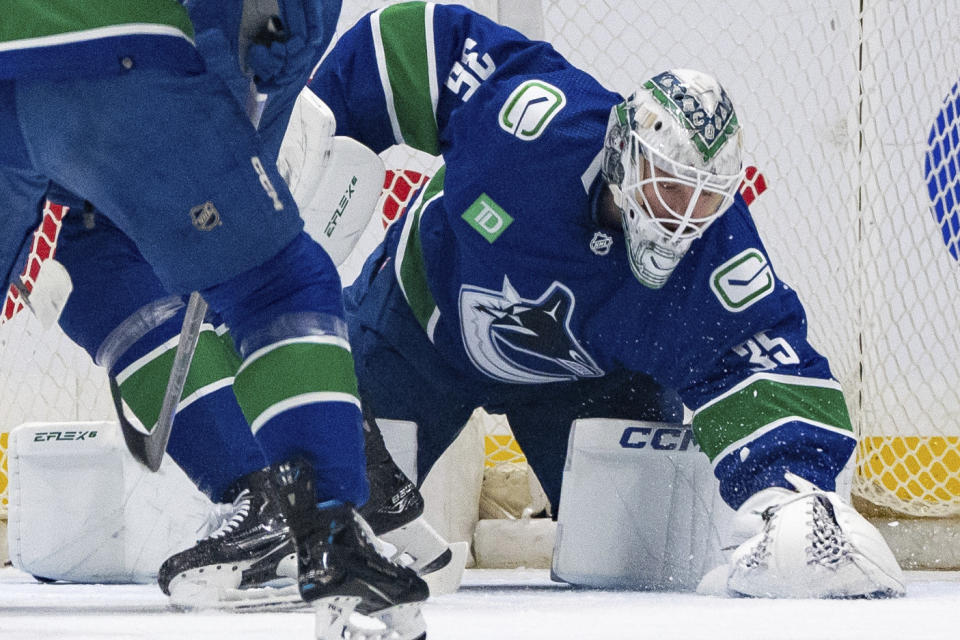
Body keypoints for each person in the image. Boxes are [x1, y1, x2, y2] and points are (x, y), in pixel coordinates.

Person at [294, 1, 905, 598]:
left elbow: (756, 353)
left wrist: (788, 492)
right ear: (623, 155)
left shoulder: (714, 247)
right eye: (668, 185)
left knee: (636, 569)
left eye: (704, 197)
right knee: (306, 534)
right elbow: (414, 42)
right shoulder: (531, 125)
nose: (682, 217)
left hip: (582, 385)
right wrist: (322, 119)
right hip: (418, 333)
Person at [0, 0, 428, 632]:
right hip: (111, 48)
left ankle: (266, 491)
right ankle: (332, 535)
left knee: (95, 252)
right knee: (277, 281)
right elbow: (274, 29)